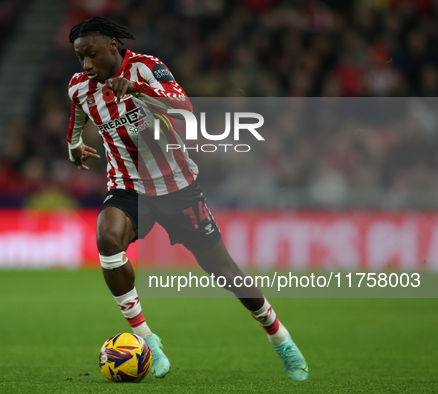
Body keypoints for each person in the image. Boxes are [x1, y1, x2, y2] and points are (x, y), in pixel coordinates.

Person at [66, 16, 308, 381]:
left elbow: (184, 109)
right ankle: (147, 339)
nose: (86, 64)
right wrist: (74, 146)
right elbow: (76, 117)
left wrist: (134, 89)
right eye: (80, 57)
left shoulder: (149, 69)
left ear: (113, 46)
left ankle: (280, 338)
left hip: (177, 186)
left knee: (224, 271)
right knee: (107, 240)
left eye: (92, 54)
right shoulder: (80, 87)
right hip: (128, 185)